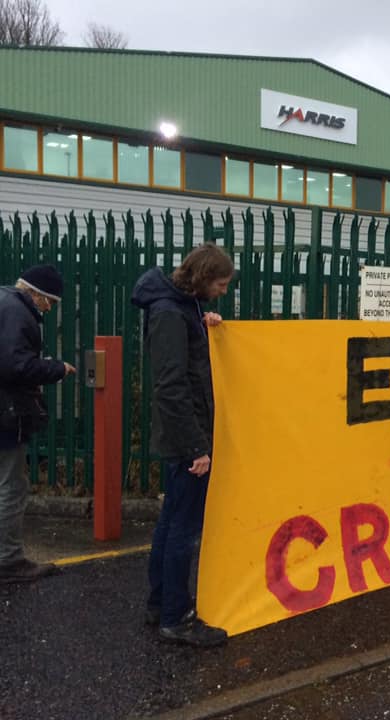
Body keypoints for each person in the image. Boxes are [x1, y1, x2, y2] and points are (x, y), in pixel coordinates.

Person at [131, 244, 234, 648]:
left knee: (171, 522)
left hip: (181, 437)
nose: (224, 291)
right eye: (221, 284)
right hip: (185, 440)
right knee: (183, 530)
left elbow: (188, 362)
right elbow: (171, 387)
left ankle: (161, 605)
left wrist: (205, 322)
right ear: (203, 277)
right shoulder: (170, 313)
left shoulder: (180, 306)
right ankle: (177, 616)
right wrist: (197, 447)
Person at [0, 265, 77, 584]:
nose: (50, 308)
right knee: (11, 486)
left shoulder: (3, 301)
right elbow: (15, 365)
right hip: (5, 412)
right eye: (51, 302)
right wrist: (55, 368)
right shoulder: (18, 312)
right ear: (38, 294)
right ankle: (8, 560)